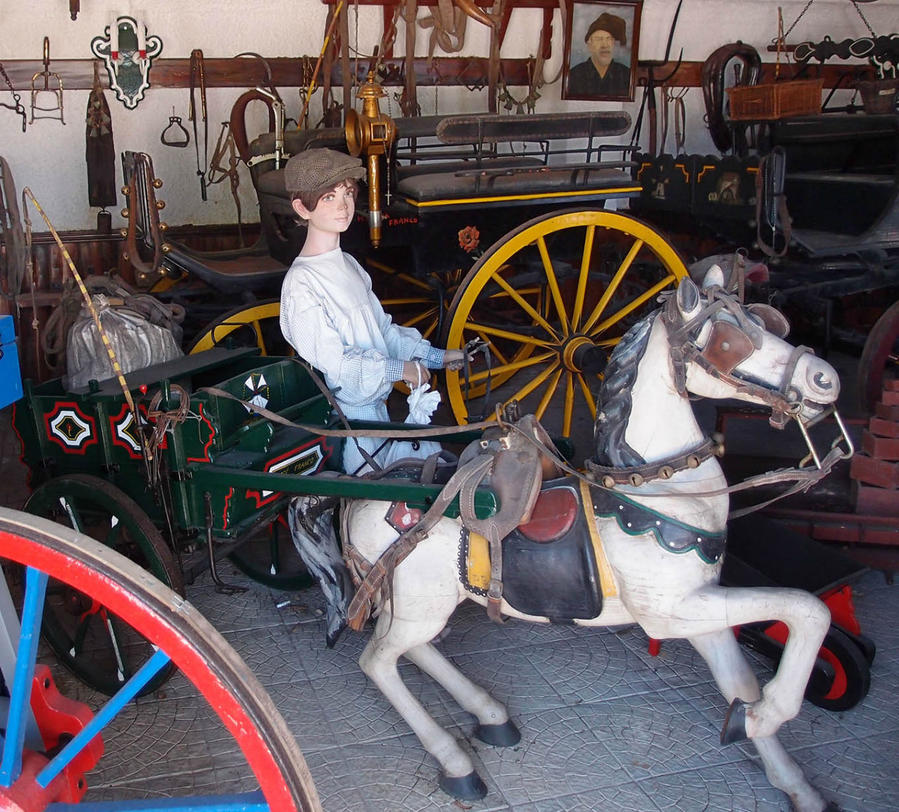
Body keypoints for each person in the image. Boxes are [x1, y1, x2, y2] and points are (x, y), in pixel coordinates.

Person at [279, 148, 465, 474]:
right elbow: (337, 363)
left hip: (378, 413)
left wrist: (435, 357)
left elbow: (384, 331)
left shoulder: (348, 264)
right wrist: (399, 370)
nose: (343, 205)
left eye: (348, 192)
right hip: (351, 423)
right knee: (368, 500)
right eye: (328, 197)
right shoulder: (301, 284)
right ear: (301, 208)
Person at [567, 12, 631, 97]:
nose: (604, 45)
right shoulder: (574, 75)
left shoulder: (626, 75)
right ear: (589, 45)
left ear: (614, 44)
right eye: (598, 39)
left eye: (609, 39)